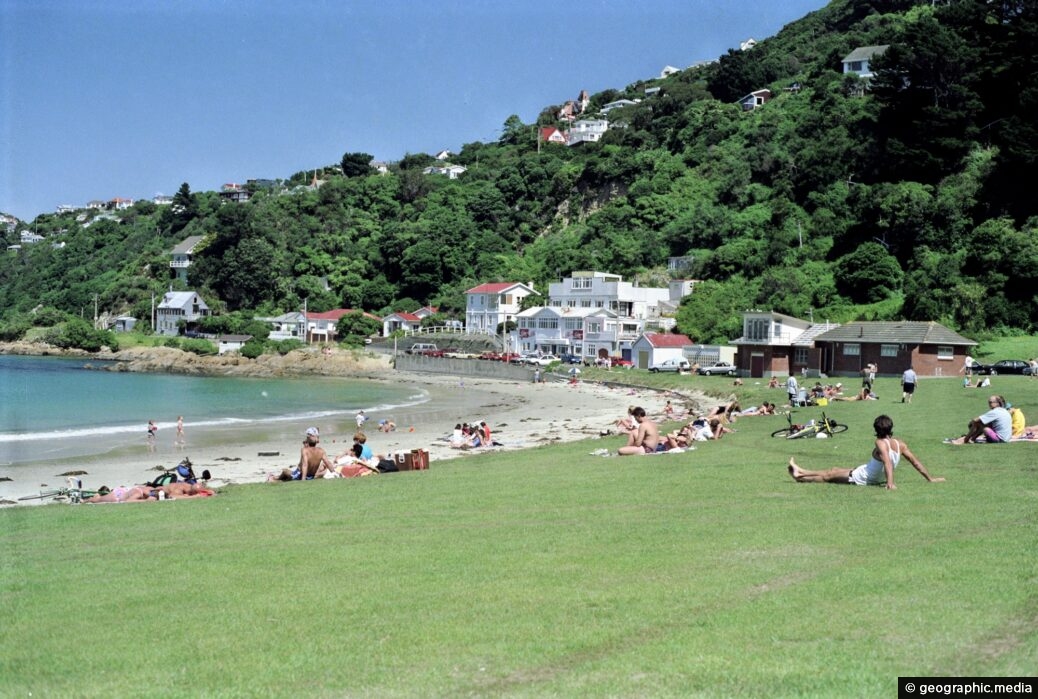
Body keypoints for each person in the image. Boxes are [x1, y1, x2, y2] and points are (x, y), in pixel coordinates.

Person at [787, 415, 944, 489]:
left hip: (863, 478)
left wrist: (890, 484)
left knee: (828, 477)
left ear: (876, 430)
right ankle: (801, 470)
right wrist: (930, 478)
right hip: (866, 471)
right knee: (834, 469)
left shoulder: (880, 443)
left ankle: (799, 478)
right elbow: (915, 462)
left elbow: (888, 463)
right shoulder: (900, 444)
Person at [268, 427, 335, 481]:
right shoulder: (321, 451)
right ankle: (277, 478)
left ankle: (274, 479)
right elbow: (328, 463)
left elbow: (305, 465)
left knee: (285, 471)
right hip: (311, 476)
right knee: (288, 476)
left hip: (300, 475)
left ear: (308, 438)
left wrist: (303, 479)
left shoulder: (305, 450)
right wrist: (334, 473)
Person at [945, 395, 1012, 444]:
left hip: (1000, 440)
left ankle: (966, 439)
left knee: (982, 425)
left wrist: (971, 424)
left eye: (990, 402)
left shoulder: (995, 412)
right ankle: (971, 438)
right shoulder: (1003, 410)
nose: (989, 404)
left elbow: (975, 420)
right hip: (1007, 438)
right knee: (985, 424)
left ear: (997, 403)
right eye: (988, 402)